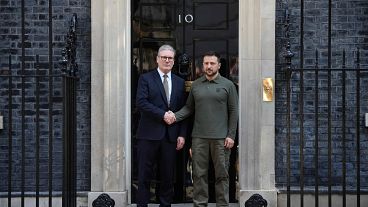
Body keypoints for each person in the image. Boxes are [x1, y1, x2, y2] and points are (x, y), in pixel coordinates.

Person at [165, 51, 239, 206]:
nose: (209, 66)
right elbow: (188, 108)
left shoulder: (228, 85)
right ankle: (200, 204)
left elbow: (234, 111)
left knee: (222, 175)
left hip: (221, 139)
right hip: (199, 138)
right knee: (199, 175)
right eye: (206, 63)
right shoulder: (196, 85)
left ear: (218, 65)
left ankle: (223, 205)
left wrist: (231, 135)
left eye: (212, 63)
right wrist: (173, 116)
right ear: (203, 65)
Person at [135, 44, 187, 207]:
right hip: (148, 135)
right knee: (144, 175)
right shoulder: (145, 78)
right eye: (163, 57)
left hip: (171, 137)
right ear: (157, 59)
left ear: (173, 61)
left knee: (167, 176)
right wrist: (162, 114)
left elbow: (184, 110)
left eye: (170, 58)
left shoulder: (180, 82)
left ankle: (165, 205)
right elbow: (141, 102)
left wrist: (182, 134)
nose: (167, 60)